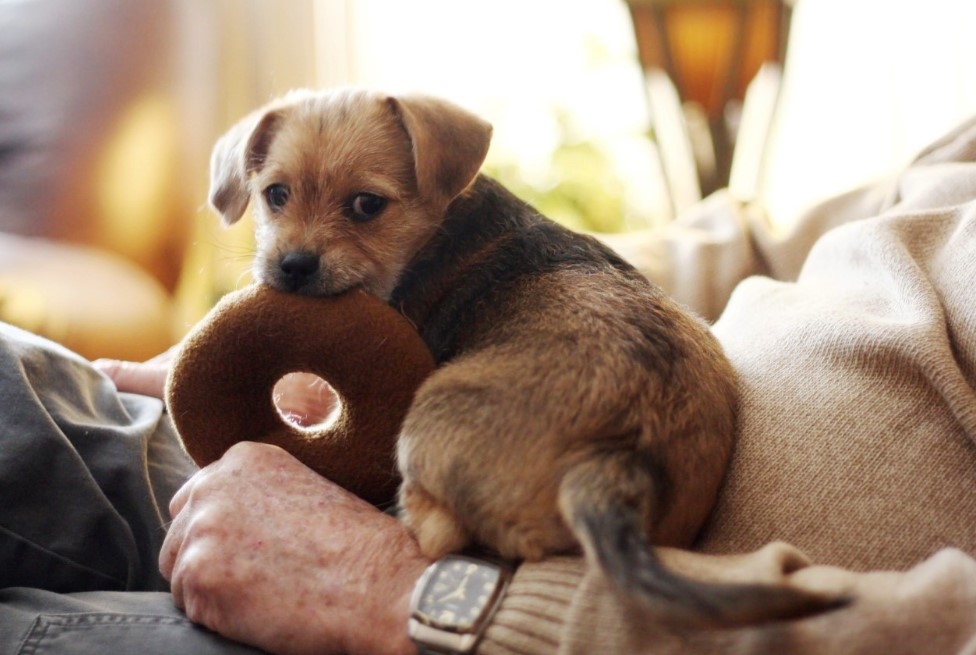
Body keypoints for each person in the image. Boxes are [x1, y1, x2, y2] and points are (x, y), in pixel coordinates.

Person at [1, 114, 975, 655]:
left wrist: (422, 597)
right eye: (279, 200)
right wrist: (325, 331)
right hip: (443, 426)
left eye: (362, 205)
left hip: (500, 607)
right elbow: (749, 246)